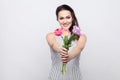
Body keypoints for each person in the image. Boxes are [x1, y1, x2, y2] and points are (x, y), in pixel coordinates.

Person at [46, 4, 87, 80]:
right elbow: (53, 44)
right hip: (55, 77)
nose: (65, 21)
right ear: (57, 19)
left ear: (72, 18)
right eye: (61, 18)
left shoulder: (81, 37)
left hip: (75, 77)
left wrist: (68, 57)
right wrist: (61, 50)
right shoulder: (50, 36)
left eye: (68, 17)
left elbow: (79, 48)